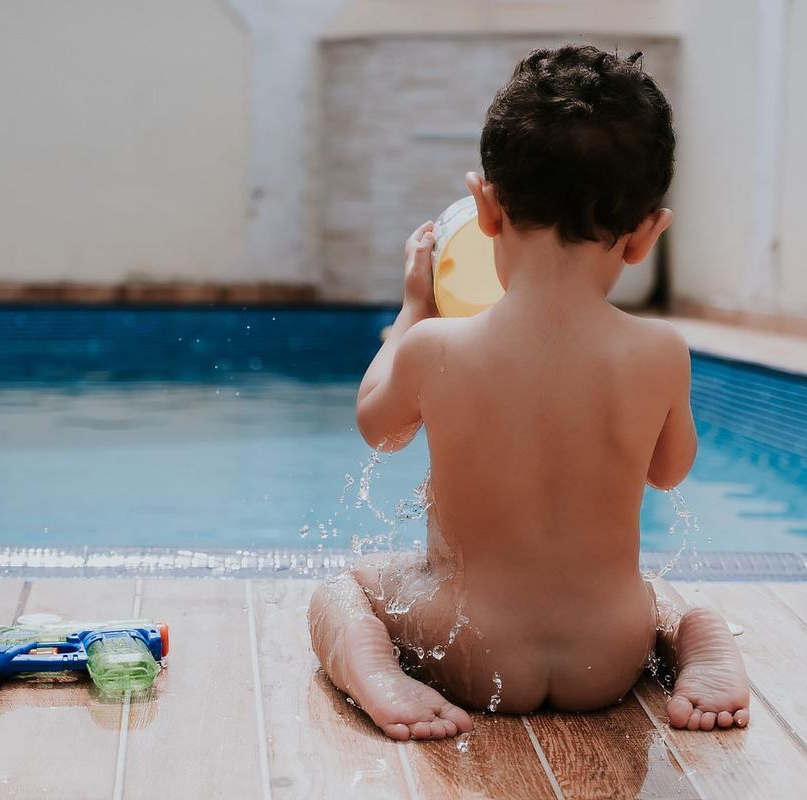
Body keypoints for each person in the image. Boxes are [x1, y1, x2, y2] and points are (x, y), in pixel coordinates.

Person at [308, 44, 749, 741]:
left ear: (485, 206)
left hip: (470, 652)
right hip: (609, 656)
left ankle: (380, 679)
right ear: (647, 233)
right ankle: (701, 641)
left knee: (346, 589)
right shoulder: (661, 351)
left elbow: (380, 429)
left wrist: (412, 312)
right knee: (656, 594)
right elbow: (669, 473)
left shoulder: (436, 346)